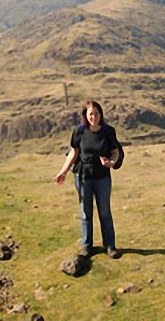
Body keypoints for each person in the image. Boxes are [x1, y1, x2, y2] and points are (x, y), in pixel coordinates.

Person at [55, 100, 121, 259]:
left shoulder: (108, 131)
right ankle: (86, 246)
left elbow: (115, 151)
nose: (94, 117)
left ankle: (110, 246)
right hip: (83, 176)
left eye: (97, 113)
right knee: (85, 212)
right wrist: (63, 172)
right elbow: (74, 153)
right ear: (85, 115)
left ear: (101, 114)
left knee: (104, 211)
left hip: (102, 177)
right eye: (91, 114)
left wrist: (111, 163)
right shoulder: (79, 131)